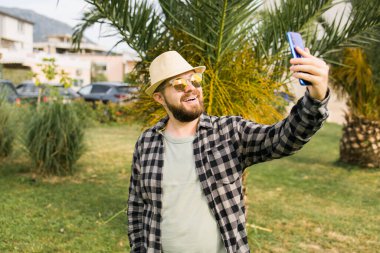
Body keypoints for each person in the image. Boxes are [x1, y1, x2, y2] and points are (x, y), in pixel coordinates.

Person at [127, 49, 330, 253]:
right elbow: (137, 206)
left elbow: (283, 139)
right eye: (179, 84)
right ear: (159, 98)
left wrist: (316, 98)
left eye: (195, 80)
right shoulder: (146, 143)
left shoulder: (229, 132)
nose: (191, 88)